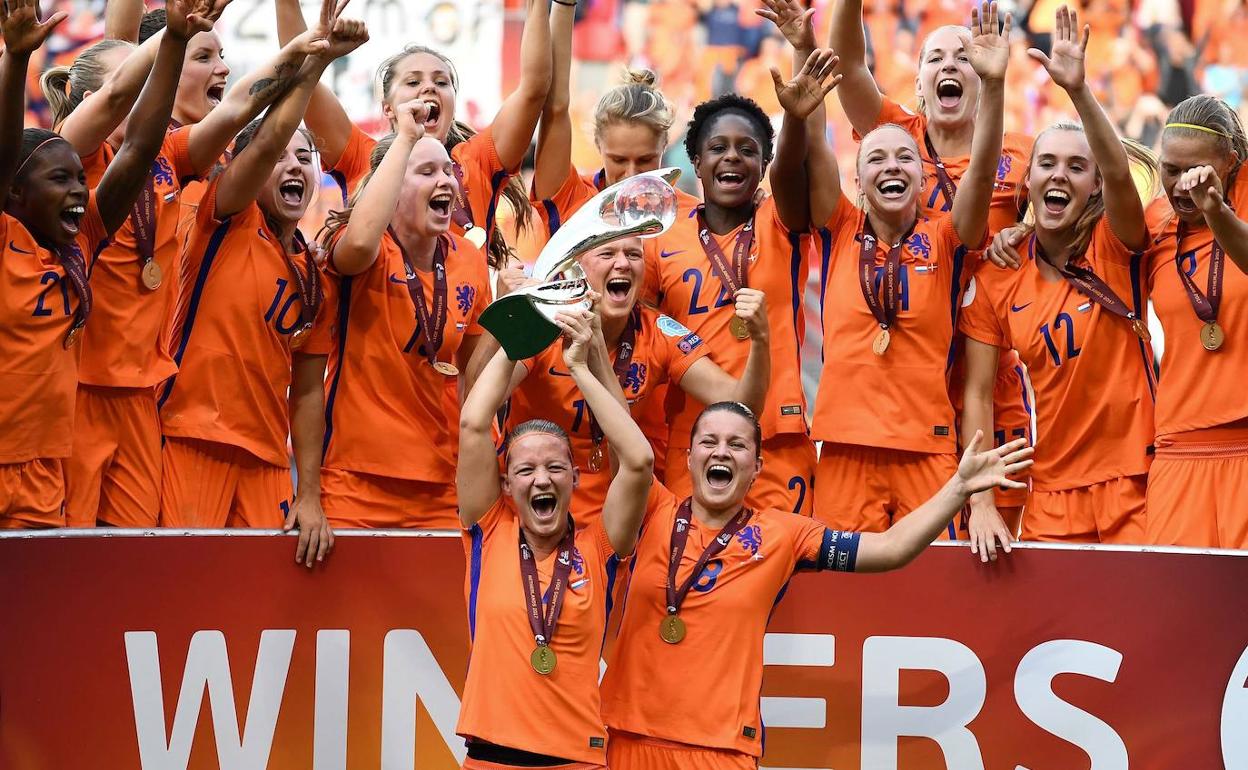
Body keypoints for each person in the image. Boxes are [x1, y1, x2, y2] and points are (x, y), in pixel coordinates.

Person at [600, 402, 1032, 768]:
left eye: (737, 444)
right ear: (689, 455)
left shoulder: (786, 534)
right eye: (709, 442)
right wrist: (585, 359)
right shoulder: (653, 508)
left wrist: (957, 489)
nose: (722, 452)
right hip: (627, 740)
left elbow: (891, 547)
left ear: (757, 466)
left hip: (720, 748)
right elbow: (630, 449)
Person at [46, 8, 333, 530]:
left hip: (140, 396)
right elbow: (112, 101)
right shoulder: (71, 159)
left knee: (141, 566)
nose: (146, 94)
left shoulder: (171, 156)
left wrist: (309, 49)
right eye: (138, 81)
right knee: (70, 560)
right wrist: (175, 32)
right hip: (78, 387)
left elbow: (240, 112)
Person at [156, 12, 367, 563]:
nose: (295, 164)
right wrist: (315, 61)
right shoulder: (224, 215)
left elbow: (309, 389)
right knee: (181, 600)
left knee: (252, 618)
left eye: (307, 157)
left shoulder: (314, 273)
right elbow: (268, 138)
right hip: (190, 439)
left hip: (270, 463)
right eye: (282, 157)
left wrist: (310, 492)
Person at [824, 0, 1037, 531]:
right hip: (904, 370)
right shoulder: (896, 139)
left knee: (987, 545)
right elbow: (848, 66)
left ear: (982, 72)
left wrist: (1027, 234)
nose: (949, 66)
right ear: (918, 83)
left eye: (962, 57)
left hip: (985, 365)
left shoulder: (1021, 153)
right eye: (935, 57)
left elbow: (1072, 221)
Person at [0, 0, 211, 528]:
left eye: (80, 179)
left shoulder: (85, 239)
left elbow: (140, 147)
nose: (78, 191)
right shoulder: (3, 239)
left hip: (45, 469)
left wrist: (177, 42)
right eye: (61, 181)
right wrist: (13, 60)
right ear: (14, 192)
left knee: (66, 602)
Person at [962, 6, 1156, 549]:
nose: (1059, 175)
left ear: (1093, 187)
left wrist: (1077, 90)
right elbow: (977, 392)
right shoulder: (1000, 276)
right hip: (1049, 496)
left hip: (1135, 483)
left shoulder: (1115, 247)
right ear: (1029, 179)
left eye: (1077, 166)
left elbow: (1120, 170)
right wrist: (979, 498)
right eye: (1047, 163)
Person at [455, 310, 656, 769]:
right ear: (506, 486)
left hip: (576, 759)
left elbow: (639, 460)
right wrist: (520, 333)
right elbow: (472, 423)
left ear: (576, 478)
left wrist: (582, 367)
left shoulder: (600, 549)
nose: (541, 479)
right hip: (490, 759)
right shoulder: (488, 532)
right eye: (525, 470)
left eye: (555, 468)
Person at [647, 48, 842, 516]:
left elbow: (791, 172)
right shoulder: (661, 235)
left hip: (776, 441)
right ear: (696, 160)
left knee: (785, 580)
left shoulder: (782, 219)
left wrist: (795, 120)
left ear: (764, 162)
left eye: (747, 149)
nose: (731, 157)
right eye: (717, 148)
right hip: (693, 443)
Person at [486, 235, 771, 525]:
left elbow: (743, 408)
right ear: (577, 265)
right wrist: (507, 316)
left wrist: (761, 339)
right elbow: (480, 403)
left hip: (613, 521)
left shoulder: (657, 331)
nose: (622, 263)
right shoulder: (548, 322)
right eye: (607, 253)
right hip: (531, 513)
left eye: (634, 255)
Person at [315, 103, 492, 529]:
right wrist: (407, 138)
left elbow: (475, 372)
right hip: (353, 482)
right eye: (426, 171)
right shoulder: (367, 248)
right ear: (391, 183)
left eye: (448, 170)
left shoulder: (468, 258)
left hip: (441, 484)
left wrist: (519, 315)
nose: (445, 179)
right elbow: (358, 244)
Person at [275, 0, 551, 266]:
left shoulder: (477, 161)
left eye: (442, 82)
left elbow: (534, 90)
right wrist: (315, 43)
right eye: (413, 81)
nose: (429, 87)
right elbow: (301, 75)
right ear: (387, 108)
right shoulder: (363, 158)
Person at [1145, 97, 1248, 548]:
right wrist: (1018, 234)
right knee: (1176, 605)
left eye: (1198, 171)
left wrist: (1216, 211)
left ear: (1230, 161)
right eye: (1171, 170)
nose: (1183, 185)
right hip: (1179, 446)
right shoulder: (1157, 223)